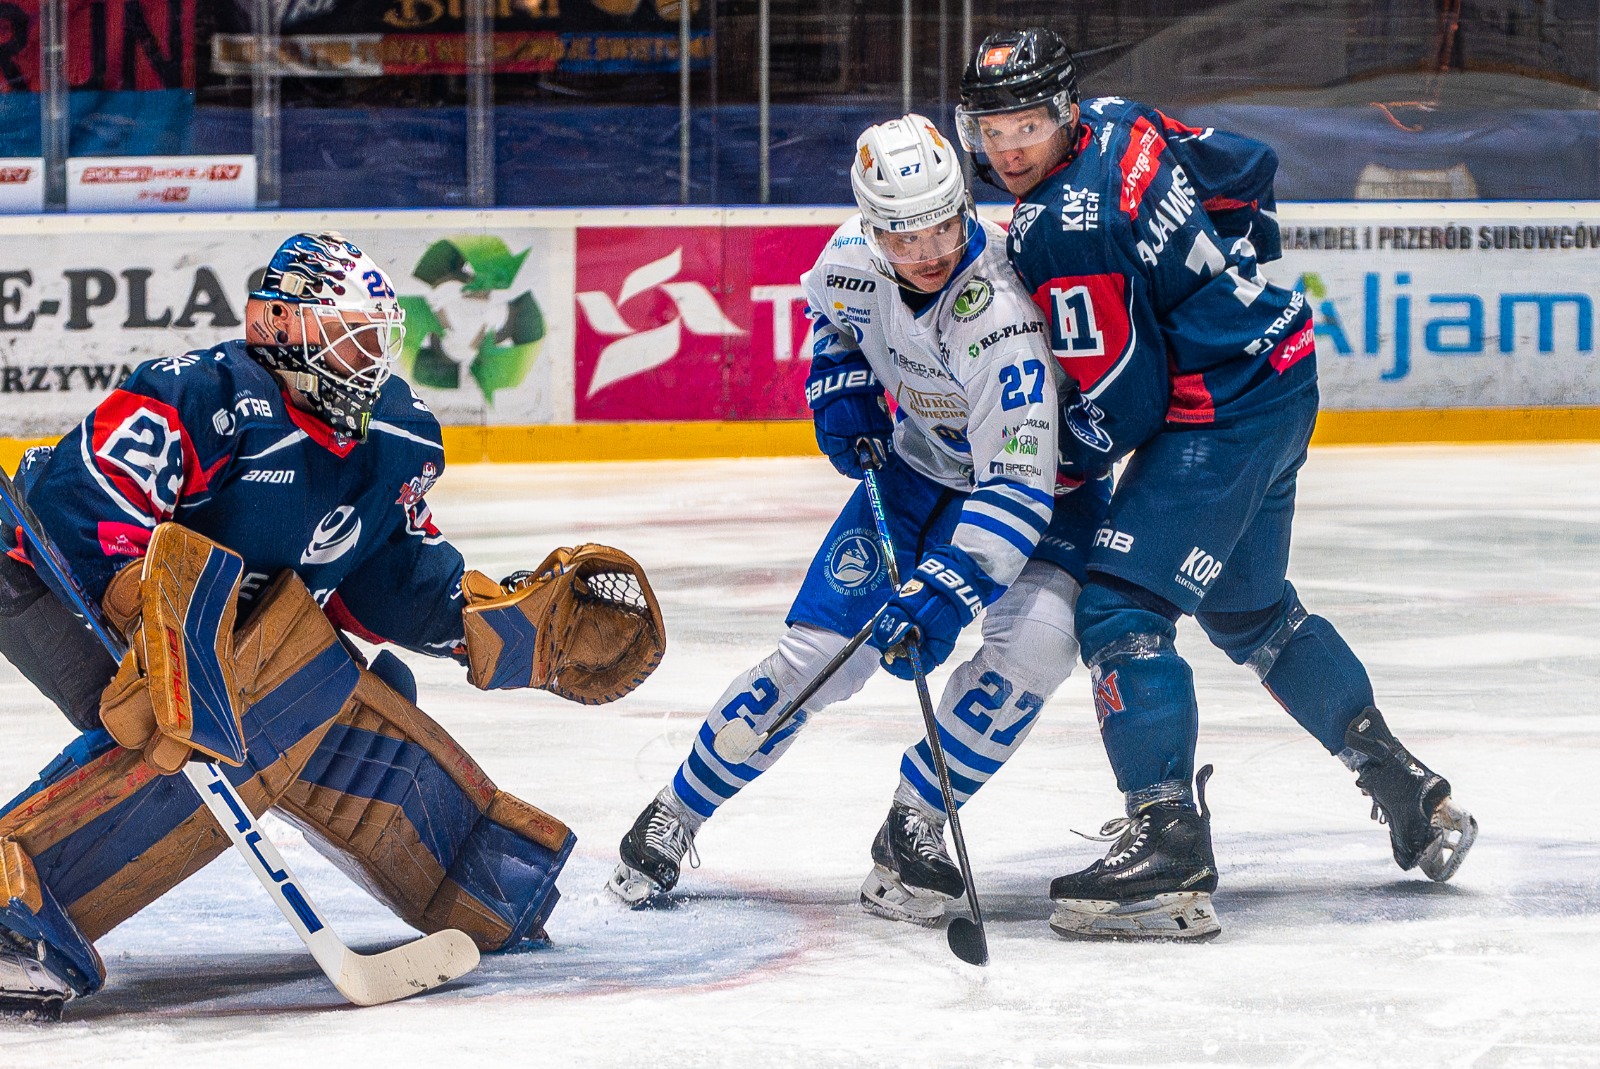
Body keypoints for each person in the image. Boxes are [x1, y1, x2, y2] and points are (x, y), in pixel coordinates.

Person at [0, 232, 664, 1017]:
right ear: (280, 325)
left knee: (313, 681)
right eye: (348, 339)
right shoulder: (204, 396)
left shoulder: (396, 436)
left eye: (376, 342)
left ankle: (471, 869)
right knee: (211, 712)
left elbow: (384, 574)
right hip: (43, 577)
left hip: (223, 626)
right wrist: (142, 615)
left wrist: (477, 622)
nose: (367, 363)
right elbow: (76, 501)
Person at [954, 28, 1477, 940]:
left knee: (1119, 607)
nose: (1008, 150)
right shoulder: (1123, 122)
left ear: (1062, 111)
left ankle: (1168, 844)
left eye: (1027, 126)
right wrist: (1218, 277)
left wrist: (1042, 469)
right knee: (1249, 610)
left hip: (1220, 414)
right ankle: (1406, 786)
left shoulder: (1055, 230)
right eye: (992, 131)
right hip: (1281, 371)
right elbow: (1245, 168)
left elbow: (1128, 400)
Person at [607, 114, 1107, 925]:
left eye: (944, 227)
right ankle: (677, 808)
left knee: (1039, 646)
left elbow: (1017, 489)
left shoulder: (1001, 317)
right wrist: (838, 374)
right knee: (817, 659)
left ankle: (917, 819)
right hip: (914, 473)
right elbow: (834, 315)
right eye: (905, 238)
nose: (930, 253)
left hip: (1043, 487)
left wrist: (945, 590)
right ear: (872, 230)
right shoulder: (847, 259)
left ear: (965, 207)